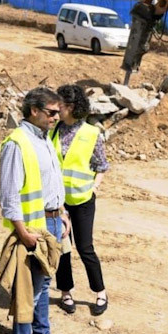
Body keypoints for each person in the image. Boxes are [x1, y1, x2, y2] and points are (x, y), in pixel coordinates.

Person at [0, 87, 74, 334]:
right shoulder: (17, 143)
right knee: (27, 291)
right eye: (51, 112)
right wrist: (23, 233)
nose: (57, 117)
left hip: (53, 223)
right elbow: (9, 195)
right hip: (32, 229)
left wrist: (63, 213)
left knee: (44, 286)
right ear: (34, 111)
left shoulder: (45, 139)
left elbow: (52, 182)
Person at [52, 84, 110, 317]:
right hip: (58, 201)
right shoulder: (53, 130)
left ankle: (100, 292)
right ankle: (66, 292)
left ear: (72, 107)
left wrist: (94, 186)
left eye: (60, 106)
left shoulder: (91, 133)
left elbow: (102, 166)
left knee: (85, 248)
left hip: (83, 200)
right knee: (63, 248)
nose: (56, 110)